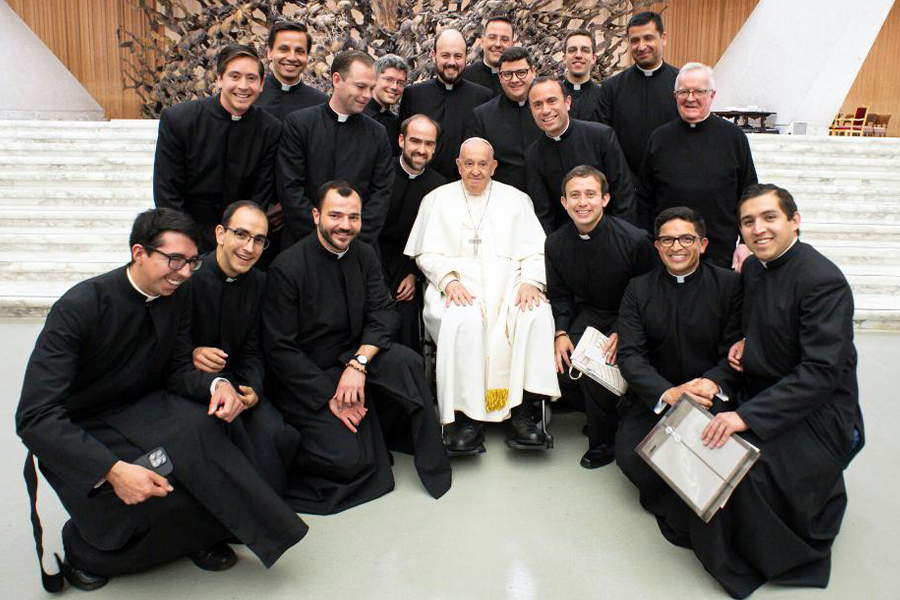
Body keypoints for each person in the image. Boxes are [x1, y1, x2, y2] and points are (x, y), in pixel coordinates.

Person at [16, 208, 307, 592]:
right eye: (175, 260)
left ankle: (201, 534)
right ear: (139, 252)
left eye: (191, 262)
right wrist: (112, 470)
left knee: (210, 434)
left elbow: (177, 369)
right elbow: (35, 417)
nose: (185, 272)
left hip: (144, 407)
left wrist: (218, 385)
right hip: (82, 424)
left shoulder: (176, 295)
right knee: (149, 497)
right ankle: (85, 551)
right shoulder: (79, 307)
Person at [679, 184, 865, 599]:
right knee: (696, 441)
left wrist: (745, 417)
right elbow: (760, 325)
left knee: (744, 469)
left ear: (794, 221)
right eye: (748, 222)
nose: (758, 229)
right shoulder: (754, 270)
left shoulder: (823, 280)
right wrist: (744, 343)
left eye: (769, 217)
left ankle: (770, 554)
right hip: (764, 389)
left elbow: (820, 372)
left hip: (818, 412)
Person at [262, 181, 451, 515]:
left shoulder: (364, 253)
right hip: (311, 374)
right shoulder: (286, 268)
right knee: (350, 461)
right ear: (316, 215)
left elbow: (384, 313)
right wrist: (330, 395)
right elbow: (280, 350)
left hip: (354, 356)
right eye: (335, 215)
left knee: (406, 362)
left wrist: (358, 363)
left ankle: (433, 465)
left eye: (353, 217)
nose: (345, 225)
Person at [405, 138, 560, 453]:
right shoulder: (436, 200)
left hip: (510, 286)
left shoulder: (516, 200)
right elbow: (426, 254)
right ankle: (466, 419)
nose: (475, 171)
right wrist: (448, 280)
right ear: (458, 165)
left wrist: (531, 281)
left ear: (494, 166)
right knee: (463, 320)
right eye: (469, 164)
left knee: (536, 313)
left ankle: (523, 412)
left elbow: (536, 251)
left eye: (482, 164)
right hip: (457, 287)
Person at [615, 206, 742, 540]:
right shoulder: (638, 289)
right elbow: (630, 355)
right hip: (658, 397)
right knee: (631, 456)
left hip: (710, 395)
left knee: (719, 454)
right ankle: (683, 514)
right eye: (667, 240)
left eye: (686, 239)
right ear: (657, 246)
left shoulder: (730, 285)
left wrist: (712, 382)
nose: (676, 247)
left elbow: (735, 349)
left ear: (702, 243)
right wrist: (669, 393)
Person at [546, 166, 656, 468]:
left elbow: (650, 292)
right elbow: (560, 296)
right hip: (589, 314)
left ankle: (602, 441)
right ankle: (605, 414)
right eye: (574, 195)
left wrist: (624, 329)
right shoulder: (555, 243)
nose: (582, 202)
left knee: (597, 365)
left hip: (632, 315)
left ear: (605, 199)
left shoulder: (635, 240)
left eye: (590, 194)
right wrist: (561, 333)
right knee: (562, 365)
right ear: (564, 202)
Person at [186, 200, 300, 493]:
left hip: (239, 381)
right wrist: (192, 353)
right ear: (220, 234)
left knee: (279, 436)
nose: (249, 248)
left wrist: (254, 389)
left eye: (259, 240)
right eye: (241, 234)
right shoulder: (187, 279)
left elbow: (253, 349)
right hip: (190, 385)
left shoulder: (260, 283)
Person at [153, 44, 281, 253]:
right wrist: (188, 242)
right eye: (234, 76)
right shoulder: (179, 120)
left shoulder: (270, 129)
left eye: (251, 78)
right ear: (220, 79)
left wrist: (236, 240)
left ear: (261, 85)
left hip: (241, 241)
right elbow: (167, 194)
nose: (243, 86)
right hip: (187, 237)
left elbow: (260, 195)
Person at [636, 63, 757, 270]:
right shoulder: (659, 138)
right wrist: (649, 243)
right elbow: (644, 198)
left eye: (699, 91)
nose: (690, 98)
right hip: (670, 251)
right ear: (675, 96)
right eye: (683, 92)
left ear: (712, 95)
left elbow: (749, 194)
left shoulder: (734, 137)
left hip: (719, 252)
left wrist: (745, 243)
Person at [277, 49, 393, 246]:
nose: (367, 95)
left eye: (371, 88)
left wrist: (351, 239)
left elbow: (381, 194)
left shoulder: (378, 133)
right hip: (303, 243)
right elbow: (290, 188)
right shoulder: (299, 124)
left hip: (357, 246)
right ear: (337, 80)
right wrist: (321, 239)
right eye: (360, 86)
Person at [526, 77, 635, 233]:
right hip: (565, 239)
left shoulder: (601, 136)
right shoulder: (533, 155)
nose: (545, 110)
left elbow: (623, 196)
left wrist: (622, 237)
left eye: (552, 101)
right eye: (537, 104)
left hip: (611, 232)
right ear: (531, 111)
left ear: (567, 102)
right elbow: (545, 214)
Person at [378, 115, 446, 353]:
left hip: (407, 267)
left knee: (406, 320)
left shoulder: (439, 187)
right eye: (415, 141)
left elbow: (433, 240)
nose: (421, 150)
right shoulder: (379, 172)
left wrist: (414, 275)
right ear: (401, 140)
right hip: (372, 259)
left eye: (429, 144)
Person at [398, 29, 493, 180]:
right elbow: (403, 146)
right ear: (433, 55)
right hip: (420, 182)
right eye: (445, 55)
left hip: (465, 184)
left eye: (458, 56)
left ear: (466, 57)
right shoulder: (413, 95)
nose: (452, 62)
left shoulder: (483, 97)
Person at [597, 11, 680, 178]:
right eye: (635, 40)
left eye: (648, 38)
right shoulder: (611, 88)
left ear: (663, 38)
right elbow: (602, 141)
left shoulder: (682, 84)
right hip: (624, 182)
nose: (641, 47)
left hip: (672, 180)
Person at [465, 47, 542, 193]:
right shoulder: (482, 116)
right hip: (502, 198)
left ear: (533, 72)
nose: (515, 80)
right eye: (507, 74)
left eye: (521, 72)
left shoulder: (547, 111)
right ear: (500, 77)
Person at [257, 20, 327, 120]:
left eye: (299, 51)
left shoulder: (322, 104)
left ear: (307, 57)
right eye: (284, 49)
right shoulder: (251, 96)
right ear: (269, 53)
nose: (292, 58)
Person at [364, 54, 409, 157]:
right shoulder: (355, 115)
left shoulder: (396, 123)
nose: (394, 87)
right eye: (389, 80)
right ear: (374, 80)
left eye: (400, 83)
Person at [461, 13, 514, 96]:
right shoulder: (464, 77)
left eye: (504, 39)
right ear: (482, 42)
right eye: (492, 38)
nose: (498, 44)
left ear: (512, 45)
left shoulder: (519, 81)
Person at [562, 29, 603, 123]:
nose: (578, 55)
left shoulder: (604, 99)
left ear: (593, 58)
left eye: (585, 50)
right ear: (564, 58)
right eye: (572, 50)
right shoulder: (553, 97)